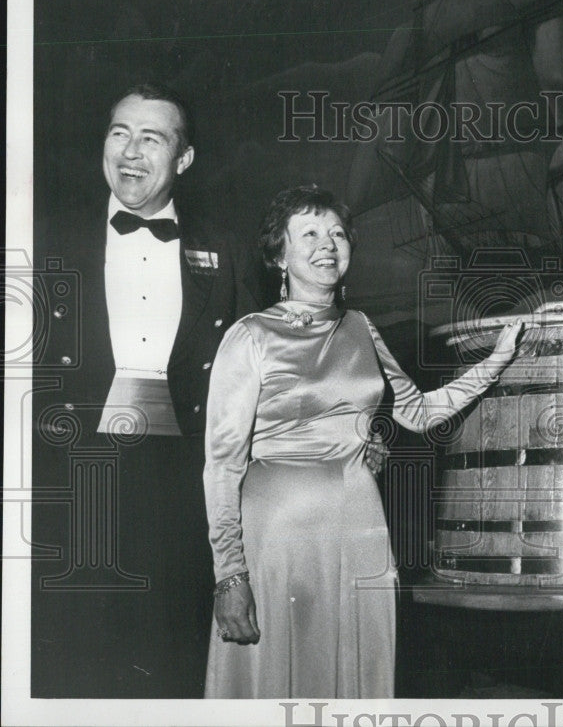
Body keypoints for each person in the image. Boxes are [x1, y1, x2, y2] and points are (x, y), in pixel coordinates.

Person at [202, 185, 522, 698]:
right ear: (278, 254)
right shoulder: (250, 335)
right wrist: (230, 576)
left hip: (360, 524)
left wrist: (495, 363)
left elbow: (418, 412)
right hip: (278, 535)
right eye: (309, 233)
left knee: (356, 682)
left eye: (336, 233)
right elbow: (221, 466)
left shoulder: (362, 328)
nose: (327, 243)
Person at [32, 83, 263, 697]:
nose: (130, 151)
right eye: (119, 133)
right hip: (71, 470)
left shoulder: (225, 247)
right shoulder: (48, 237)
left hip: (180, 478)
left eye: (151, 138)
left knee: (171, 649)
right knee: (72, 649)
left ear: (182, 160)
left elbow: (258, 374)